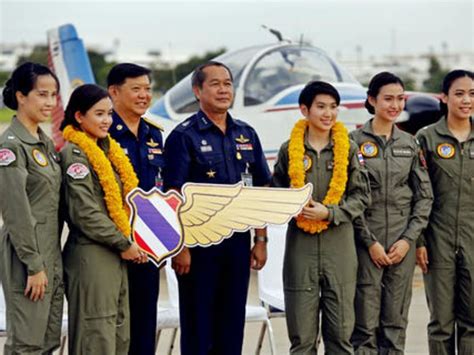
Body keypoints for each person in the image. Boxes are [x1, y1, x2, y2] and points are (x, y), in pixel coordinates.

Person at [163, 61, 272, 355]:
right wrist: (180, 247)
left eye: (228, 83)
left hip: (236, 245)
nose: (224, 89)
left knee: (231, 328)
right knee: (199, 330)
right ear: (198, 91)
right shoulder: (183, 137)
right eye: (215, 84)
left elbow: (259, 190)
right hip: (198, 249)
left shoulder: (246, 134)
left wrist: (260, 240)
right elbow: (172, 196)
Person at [272, 81, 370, 354]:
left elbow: (361, 196)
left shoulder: (348, 149)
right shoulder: (288, 150)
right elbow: (277, 195)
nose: (328, 113)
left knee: (340, 336)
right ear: (305, 110)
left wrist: (330, 212)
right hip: (300, 250)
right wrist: (294, 207)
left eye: (333, 107)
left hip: (339, 249)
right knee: (302, 338)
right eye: (321, 107)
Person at [349, 72, 433, 354]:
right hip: (364, 244)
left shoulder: (409, 144)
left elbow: (424, 198)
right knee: (364, 324)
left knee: (395, 323)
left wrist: (409, 240)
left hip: (401, 245)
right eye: (388, 99)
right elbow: (351, 197)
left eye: (400, 99)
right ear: (372, 100)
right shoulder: (352, 142)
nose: (395, 105)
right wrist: (369, 241)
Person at [59, 84, 146, 354]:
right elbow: (85, 213)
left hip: (116, 253)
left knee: (118, 335)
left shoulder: (108, 152)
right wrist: (124, 243)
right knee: (96, 336)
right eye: (99, 114)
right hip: (93, 255)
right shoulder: (75, 155)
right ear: (79, 116)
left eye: (109, 113)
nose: (107, 120)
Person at [0, 62, 64, 355]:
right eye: (42, 94)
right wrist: (34, 265)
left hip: (50, 253)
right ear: (21, 96)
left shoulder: (44, 143)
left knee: (48, 340)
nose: (50, 102)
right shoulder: (12, 147)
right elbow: (16, 212)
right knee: (26, 343)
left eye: (53, 94)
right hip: (26, 257)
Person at [107, 63, 165, 355]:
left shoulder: (155, 135)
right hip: (113, 245)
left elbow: (159, 191)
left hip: (149, 245)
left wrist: (164, 242)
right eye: (136, 89)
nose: (144, 95)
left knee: (145, 324)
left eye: (148, 89)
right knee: (115, 326)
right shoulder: (103, 134)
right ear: (114, 92)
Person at [415, 69, 474, 355]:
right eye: (459, 93)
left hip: (473, 240)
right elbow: (417, 194)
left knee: (472, 320)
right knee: (440, 321)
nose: (466, 100)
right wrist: (419, 241)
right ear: (444, 97)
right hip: (437, 240)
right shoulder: (426, 139)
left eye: (472, 94)